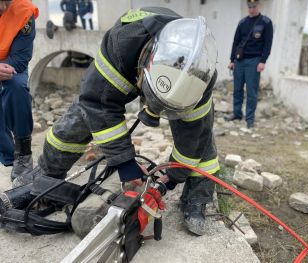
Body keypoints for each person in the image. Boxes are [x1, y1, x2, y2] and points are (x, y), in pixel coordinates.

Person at [8, 7, 220, 236]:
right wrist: (125, 163)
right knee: (78, 120)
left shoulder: (200, 79)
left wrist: (173, 178)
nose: (155, 115)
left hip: (175, 79)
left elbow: (194, 136)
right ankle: (47, 175)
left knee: (202, 142)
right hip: (131, 58)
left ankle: (197, 198)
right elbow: (98, 105)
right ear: (145, 67)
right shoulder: (123, 44)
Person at [0, 0, 39, 180]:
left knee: (17, 87)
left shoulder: (24, 12)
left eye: (5, 1)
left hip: (11, 64)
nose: (2, 7)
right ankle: (9, 155)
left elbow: (20, 59)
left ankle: (23, 155)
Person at [226, 0, 273, 128]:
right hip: (240, 61)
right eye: (249, 6)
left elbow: (268, 44)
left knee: (251, 91)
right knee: (237, 89)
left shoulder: (266, 22)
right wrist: (232, 60)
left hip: (254, 61)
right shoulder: (242, 23)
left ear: (259, 6)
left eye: (254, 6)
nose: (251, 9)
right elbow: (235, 42)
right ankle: (237, 114)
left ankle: (250, 119)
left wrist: (263, 61)